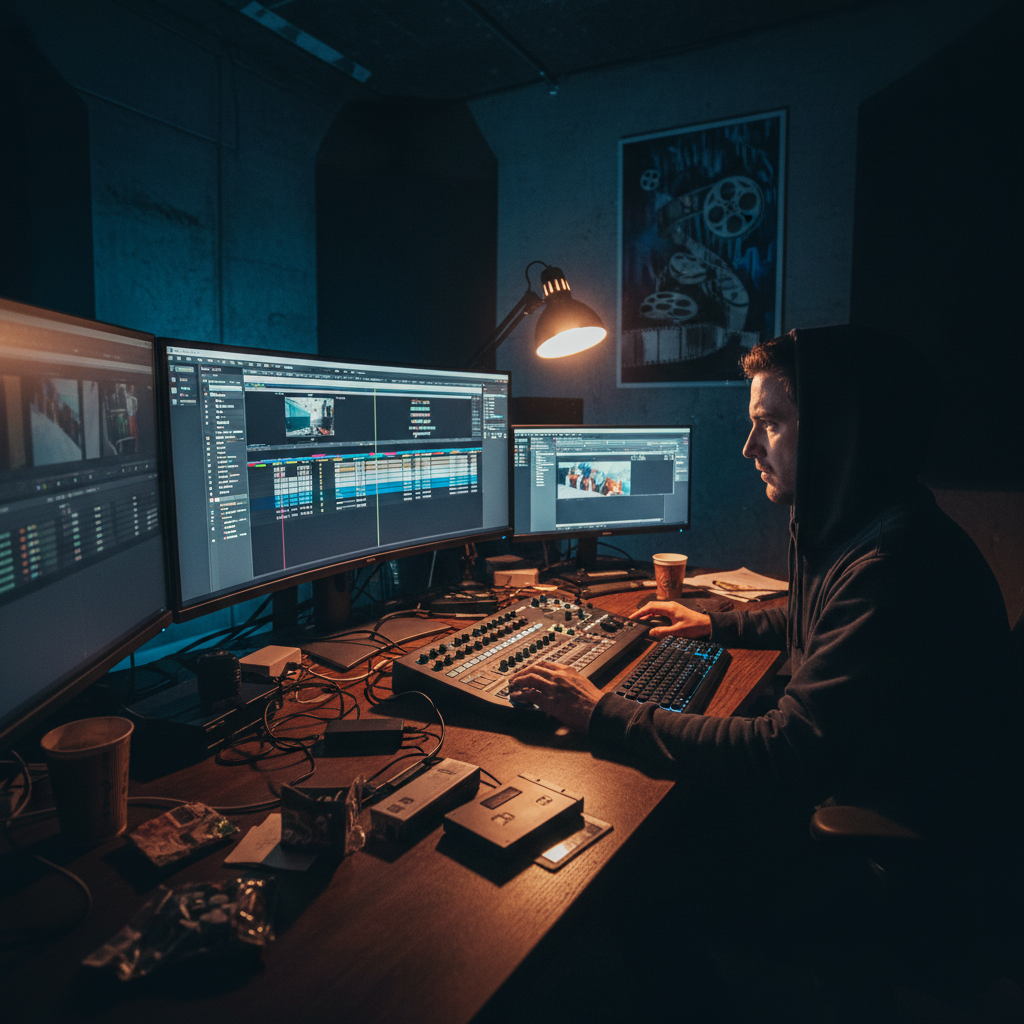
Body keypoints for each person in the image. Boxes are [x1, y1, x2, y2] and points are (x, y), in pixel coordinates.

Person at [509, 325, 1017, 852]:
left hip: (897, 824)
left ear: (835, 432)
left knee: (639, 826)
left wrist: (602, 712)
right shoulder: (872, 521)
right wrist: (714, 623)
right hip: (881, 779)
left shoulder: (889, 565)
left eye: (769, 424)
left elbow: (782, 752)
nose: (749, 447)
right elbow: (822, 617)